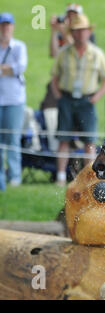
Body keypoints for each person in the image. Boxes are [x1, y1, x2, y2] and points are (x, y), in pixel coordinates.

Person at [51, 14, 105, 186]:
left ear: (88, 32)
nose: (80, 34)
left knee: (89, 139)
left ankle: (88, 177)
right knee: (63, 138)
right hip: (67, 98)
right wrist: (58, 95)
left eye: (83, 30)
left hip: (87, 100)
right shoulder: (64, 53)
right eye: (76, 31)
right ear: (73, 33)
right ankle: (61, 177)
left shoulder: (96, 54)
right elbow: (54, 76)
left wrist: (96, 97)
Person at [0, 12, 28, 190]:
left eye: (8, 25)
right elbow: (13, 68)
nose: (5, 29)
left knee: (13, 138)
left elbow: (20, 67)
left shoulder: (19, 46)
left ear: (13, 27)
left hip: (14, 99)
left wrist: (5, 69)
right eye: (3, 25)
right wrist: (8, 68)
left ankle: (15, 176)